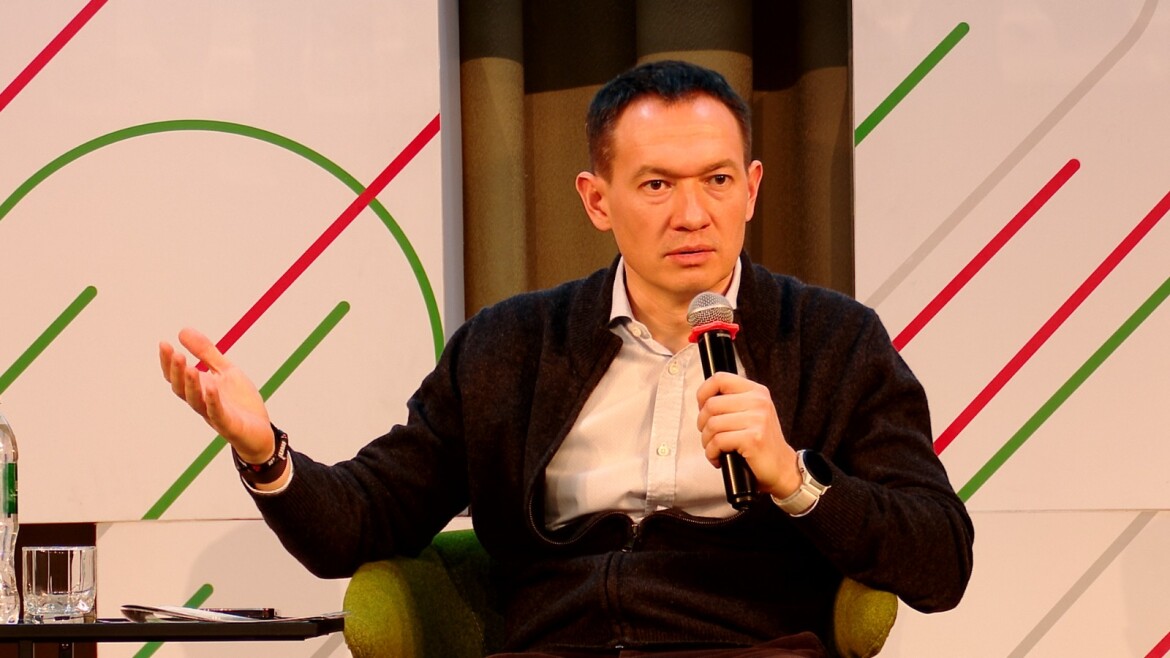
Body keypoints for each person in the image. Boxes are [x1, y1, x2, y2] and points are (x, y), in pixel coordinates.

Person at [160, 60, 973, 657]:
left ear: (752, 189)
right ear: (596, 200)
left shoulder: (831, 340)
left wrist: (796, 479)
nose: (694, 213)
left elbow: (941, 559)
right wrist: (264, 451)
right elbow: (365, 519)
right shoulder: (510, 347)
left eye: (718, 181)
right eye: (657, 185)